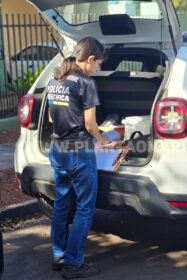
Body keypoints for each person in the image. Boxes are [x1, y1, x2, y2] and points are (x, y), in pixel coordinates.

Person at [47, 37, 109, 279]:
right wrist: (105, 141)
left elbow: (53, 119)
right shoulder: (86, 83)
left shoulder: (56, 78)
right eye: (99, 64)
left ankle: (59, 256)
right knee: (84, 208)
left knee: (62, 203)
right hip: (78, 152)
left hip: (57, 149)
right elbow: (90, 124)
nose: (98, 69)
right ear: (90, 59)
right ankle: (74, 264)